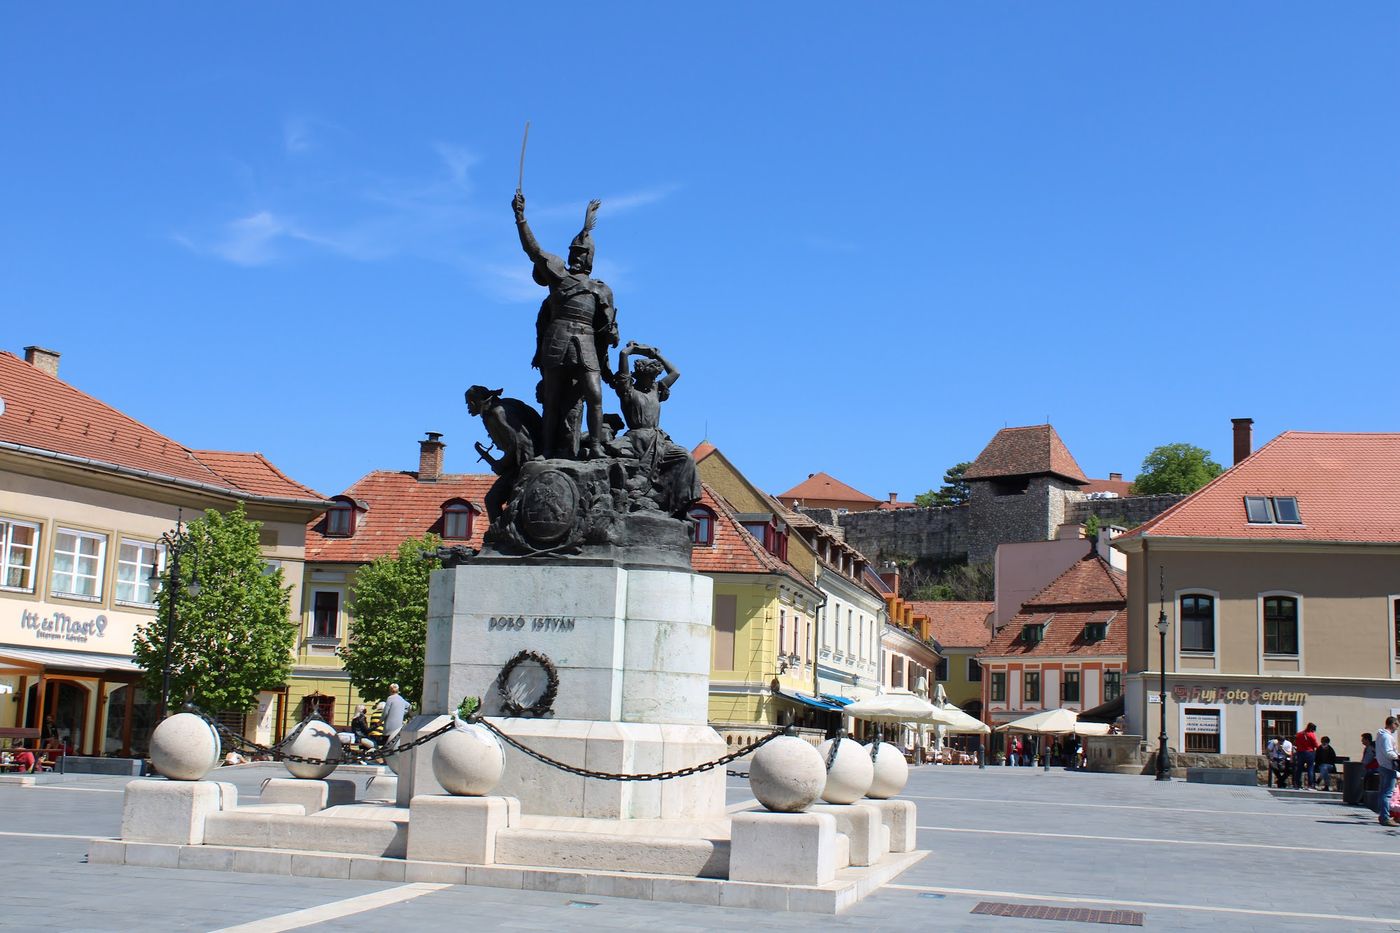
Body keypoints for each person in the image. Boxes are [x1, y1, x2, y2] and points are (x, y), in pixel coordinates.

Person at [1374, 717, 1398, 826]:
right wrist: (1397, 756)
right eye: (1396, 725)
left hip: (1382, 766)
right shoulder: (1387, 737)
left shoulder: (1380, 735)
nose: (1397, 728)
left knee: (1383, 792)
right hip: (1389, 767)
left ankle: (1382, 815)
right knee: (1387, 793)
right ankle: (1385, 817)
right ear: (1391, 724)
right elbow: (1389, 752)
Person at [1293, 722, 1320, 789]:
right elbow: (1315, 744)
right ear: (1312, 729)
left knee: (1299, 769)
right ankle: (1310, 785)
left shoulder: (1299, 734)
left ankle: (1297, 784)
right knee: (1310, 769)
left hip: (1300, 753)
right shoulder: (1311, 734)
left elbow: (1296, 743)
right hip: (1309, 753)